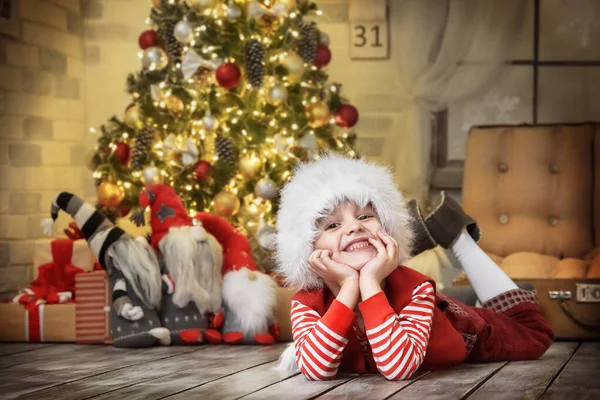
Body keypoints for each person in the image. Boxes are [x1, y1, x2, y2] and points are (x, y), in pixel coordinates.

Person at [274, 154, 554, 381]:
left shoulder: (415, 289)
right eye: (333, 225)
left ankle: (458, 236)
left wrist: (368, 281)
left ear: (387, 228)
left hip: (461, 328)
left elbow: (398, 369)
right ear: (309, 249)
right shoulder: (307, 303)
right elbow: (316, 370)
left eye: (365, 216)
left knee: (534, 333)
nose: (355, 226)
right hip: (413, 304)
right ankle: (455, 269)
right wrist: (349, 287)